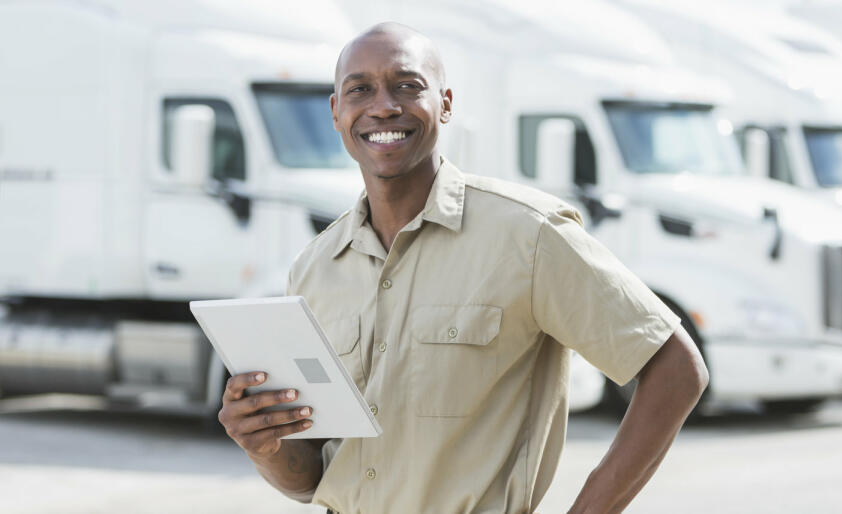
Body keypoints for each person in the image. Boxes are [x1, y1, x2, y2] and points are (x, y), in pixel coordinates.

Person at [216, 22, 709, 513]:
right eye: (360, 89)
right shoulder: (315, 267)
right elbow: (314, 479)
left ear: (445, 103)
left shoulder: (528, 234)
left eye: (407, 86)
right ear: (336, 112)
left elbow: (676, 368)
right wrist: (267, 446)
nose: (383, 105)